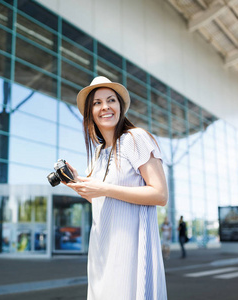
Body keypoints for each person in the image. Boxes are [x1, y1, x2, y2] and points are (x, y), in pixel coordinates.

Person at [65, 76, 168, 300]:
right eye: (97, 103)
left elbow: (160, 194)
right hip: (101, 250)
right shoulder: (98, 154)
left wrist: (103, 188)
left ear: (120, 106)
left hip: (130, 251)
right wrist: (79, 185)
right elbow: (103, 200)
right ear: (90, 112)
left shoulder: (135, 138)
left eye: (111, 100)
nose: (105, 107)